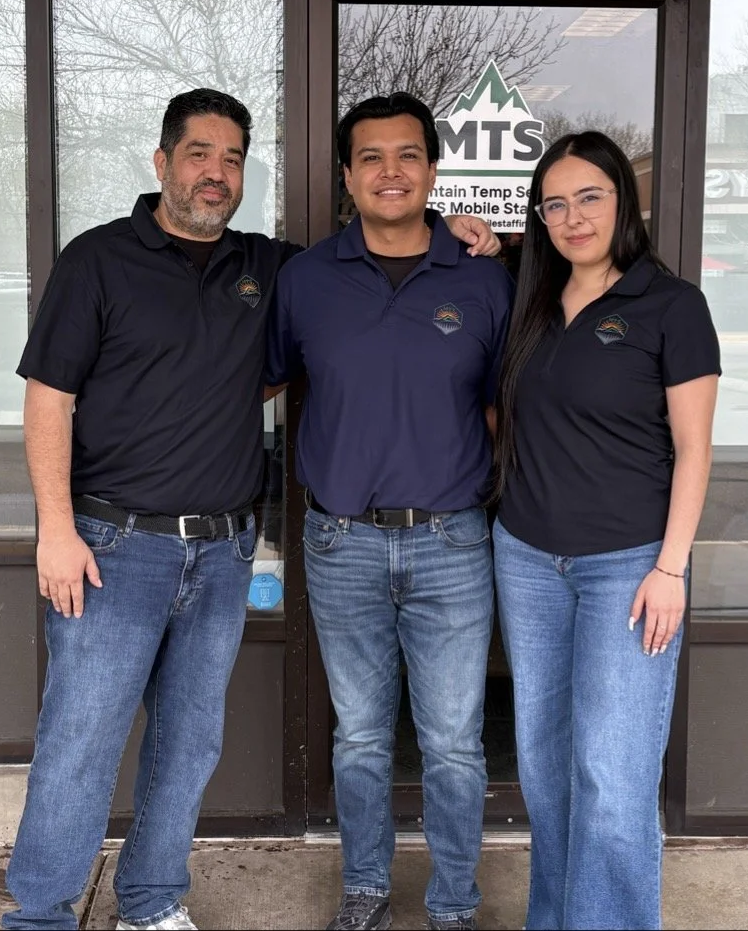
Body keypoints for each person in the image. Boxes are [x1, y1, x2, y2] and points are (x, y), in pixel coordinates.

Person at [2, 88, 498, 931]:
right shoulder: (99, 260)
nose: (215, 173)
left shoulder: (267, 268)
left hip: (226, 548)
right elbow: (49, 395)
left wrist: (467, 229)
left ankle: (152, 902)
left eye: (232, 159)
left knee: (187, 745)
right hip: (110, 544)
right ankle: (41, 915)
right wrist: (54, 526)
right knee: (81, 743)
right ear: (161, 163)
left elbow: (354, 314)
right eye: (198, 154)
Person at [265, 93, 514, 931]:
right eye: (370, 157)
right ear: (345, 175)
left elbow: (507, 406)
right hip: (340, 542)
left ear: (434, 170)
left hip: (452, 541)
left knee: (451, 742)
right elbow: (260, 381)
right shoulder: (305, 279)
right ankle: (364, 889)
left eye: (407, 154)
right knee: (362, 739)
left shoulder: (483, 278)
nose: (389, 171)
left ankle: (452, 904)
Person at [491, 131, 721, 931]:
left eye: (588, 196)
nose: (571, 216)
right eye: (553, 203)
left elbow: (694, 448)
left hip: (626, 567)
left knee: (613, 776)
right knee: (547, 770)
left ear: (623, 200)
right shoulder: (531, 304)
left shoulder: (670, 305)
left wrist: (671, 568)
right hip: (525, 558)